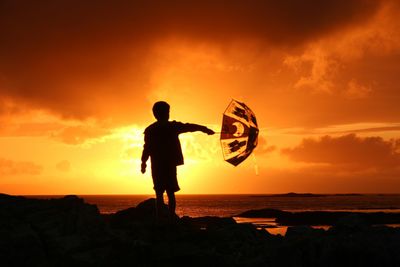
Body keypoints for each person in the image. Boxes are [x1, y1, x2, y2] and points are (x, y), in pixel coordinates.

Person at [141, 101, 215, 220]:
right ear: (165, 113)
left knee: (159, 193)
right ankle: (170, 218)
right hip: (169, 164)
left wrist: (143, 162)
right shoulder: (172, 126)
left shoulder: (150, 129)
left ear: (154, 114)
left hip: (157, 165)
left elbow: (146, 148)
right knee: (170, 192)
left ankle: (160, 219)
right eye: (167, 111)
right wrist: (204, 129)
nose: (168, 113)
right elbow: (189, 127)